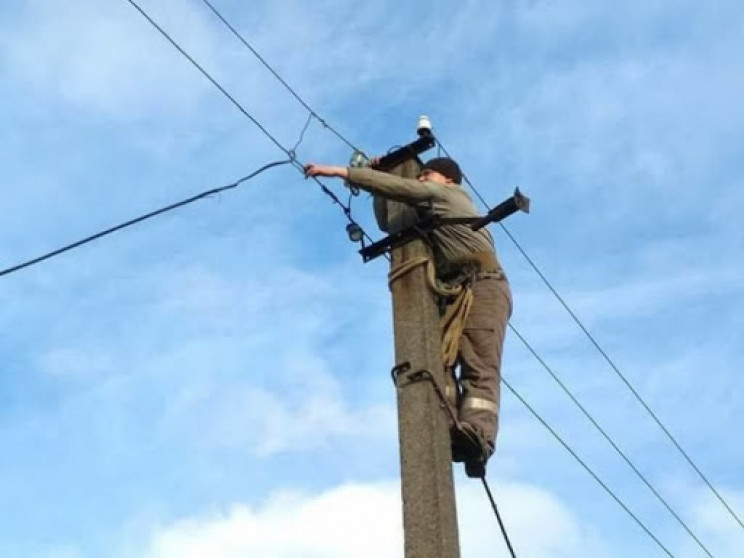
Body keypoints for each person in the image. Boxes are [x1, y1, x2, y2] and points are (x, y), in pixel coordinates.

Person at [304, 157, 512, 476]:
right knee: (436, 362)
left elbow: (400, 187)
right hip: (454, 289)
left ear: (449, 181)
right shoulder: (428, 205)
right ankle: (451, 429)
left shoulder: (449, 197)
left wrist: (344, 172)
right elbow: (392, 224)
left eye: (428, 174)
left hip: (484, 285)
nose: (422, 178)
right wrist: (378, 182)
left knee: (479, 364)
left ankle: (479, 439)